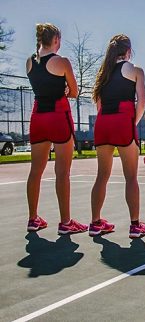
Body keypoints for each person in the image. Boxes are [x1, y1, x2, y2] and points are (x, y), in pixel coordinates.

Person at [26, 23, 88, 234]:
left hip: (38, 118)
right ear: (55, 40)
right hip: (58, 117)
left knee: (35, 171)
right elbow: (74, 92)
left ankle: (33, 218)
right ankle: (65, 222)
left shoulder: (29, 62)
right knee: (62, 172)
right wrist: (63, 88)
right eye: (59, 40)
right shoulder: (61, 62)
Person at [89, 34, 145, 238]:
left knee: (101, 176)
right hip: (123, 120)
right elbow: (141, 103)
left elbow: (98, 105)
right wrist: (132, 123)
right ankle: (135, 226)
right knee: (131, 177)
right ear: (129, 51)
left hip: (103, 122)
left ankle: (95, 223)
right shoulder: (135, 70)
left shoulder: (102, 73)